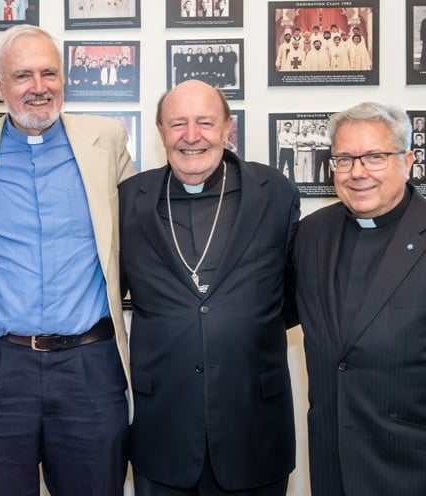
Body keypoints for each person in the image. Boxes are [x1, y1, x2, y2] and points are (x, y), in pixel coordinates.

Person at [0, 24, 135, 496]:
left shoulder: (107, 141)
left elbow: (143, 225)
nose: (39, 87)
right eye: (23, 75)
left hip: (90, 369)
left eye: (49, 73)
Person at [120, 79, 297, 496]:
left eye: (205, 122)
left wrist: (241, 328)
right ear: (161, 130)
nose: (192, 136)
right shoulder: (129, 198)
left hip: (254, 421)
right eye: (178, 123)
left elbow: (296, 292)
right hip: (162, 421)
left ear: (227, 128)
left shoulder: (275, 193)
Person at [293, 101, 426, 496]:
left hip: (419, 470)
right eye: (344, 159)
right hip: (333, 466)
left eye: (375, 157)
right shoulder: (311, 234)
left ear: (408, 160)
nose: (357, 172)